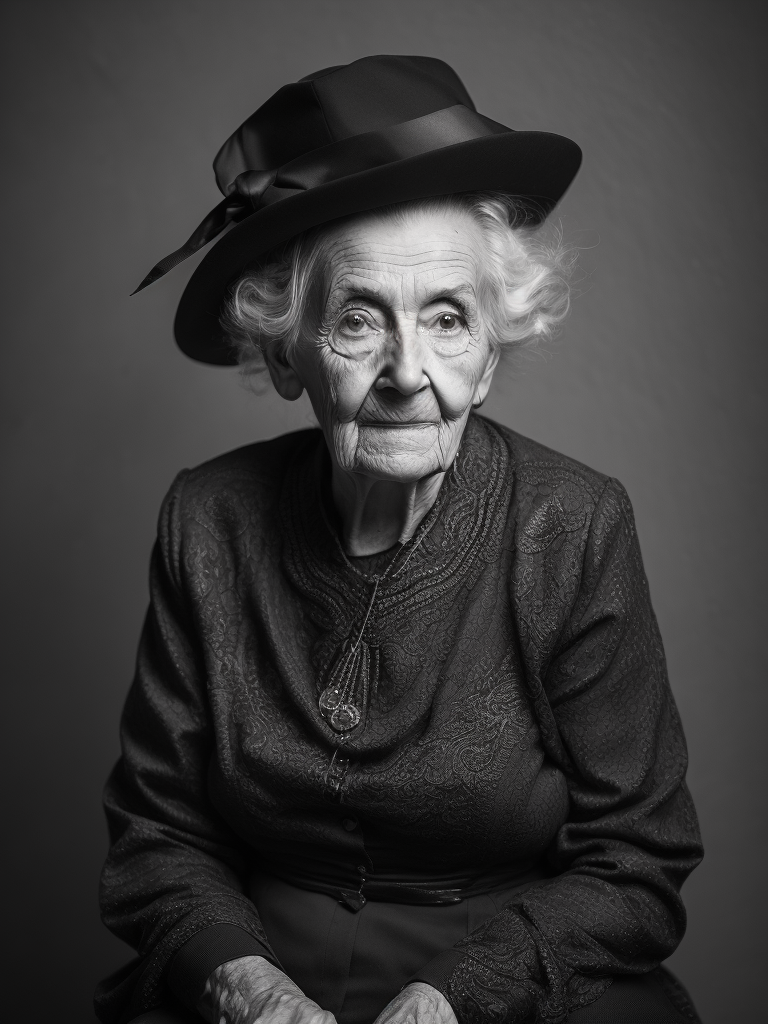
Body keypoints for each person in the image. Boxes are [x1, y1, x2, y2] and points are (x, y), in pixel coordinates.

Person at [96, 55, 703, 1024]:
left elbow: (640, 858)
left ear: (492, 351)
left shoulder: (574, 524)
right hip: (252, 971)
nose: (407, 371)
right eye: (358, 321)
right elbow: (158, 835)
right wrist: (247, 991)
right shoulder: (207, 518)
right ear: (287, 351)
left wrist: (458, 998)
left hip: (508, 979)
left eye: (448, 319)